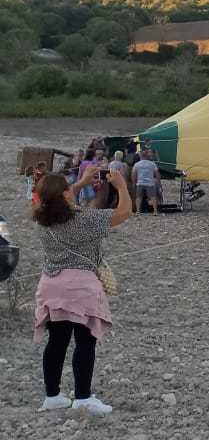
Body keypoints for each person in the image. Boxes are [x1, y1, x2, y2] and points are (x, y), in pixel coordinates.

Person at [32, 162, 131, 415]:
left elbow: (57, 199)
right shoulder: (85, 219)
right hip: (80, 286)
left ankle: (52, 395)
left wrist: (82, 182)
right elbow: (122, 214)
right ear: (65, 194)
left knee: (56, 341)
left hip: (51, 285)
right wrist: (121, 187)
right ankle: (83, 398)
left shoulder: (41, 218)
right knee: (85, 342)